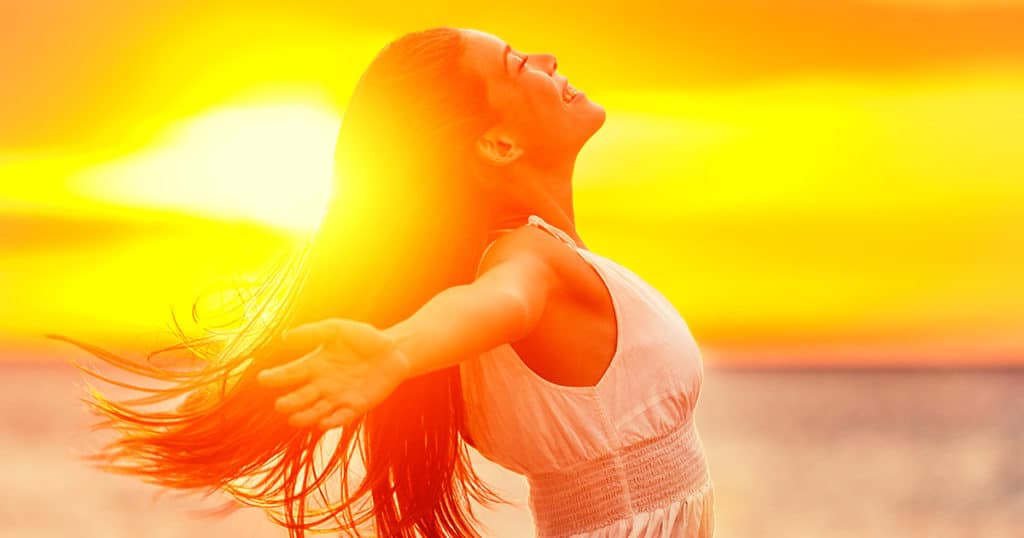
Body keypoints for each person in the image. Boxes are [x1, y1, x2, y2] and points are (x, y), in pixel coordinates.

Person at [53, 26, 714, 537]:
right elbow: (497, 303)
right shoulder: (526, 263)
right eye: (518, 65)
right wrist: (398, 351)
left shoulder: (519, 262)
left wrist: (400, 349)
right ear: (499, 144)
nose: (544, 60)